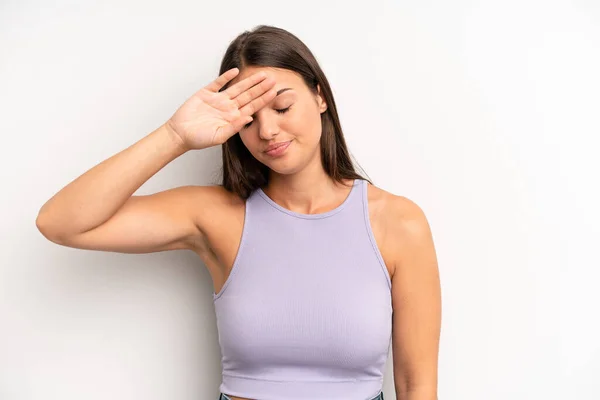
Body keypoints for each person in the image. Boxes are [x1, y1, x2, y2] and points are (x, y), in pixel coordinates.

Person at [36, 25, 441, 400]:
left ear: (320, 96)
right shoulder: (216, 215)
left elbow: (416, 383)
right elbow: (61, 223)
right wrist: (174, 136)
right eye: (248, 119)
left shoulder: (398, 222)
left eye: (281, 107)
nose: (266, 131)